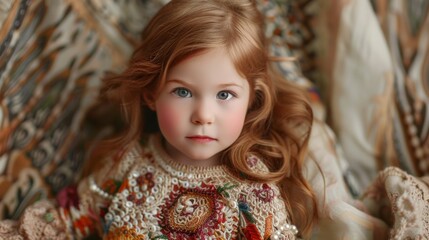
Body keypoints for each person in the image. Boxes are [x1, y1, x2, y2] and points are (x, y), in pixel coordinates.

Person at [0, 0, 318, 239]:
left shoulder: (253, 186)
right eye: (182, 92)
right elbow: (69, 222)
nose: (203, 116)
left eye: (224, 95)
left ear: (252, 100)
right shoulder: (129, 163)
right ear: (151, 93)